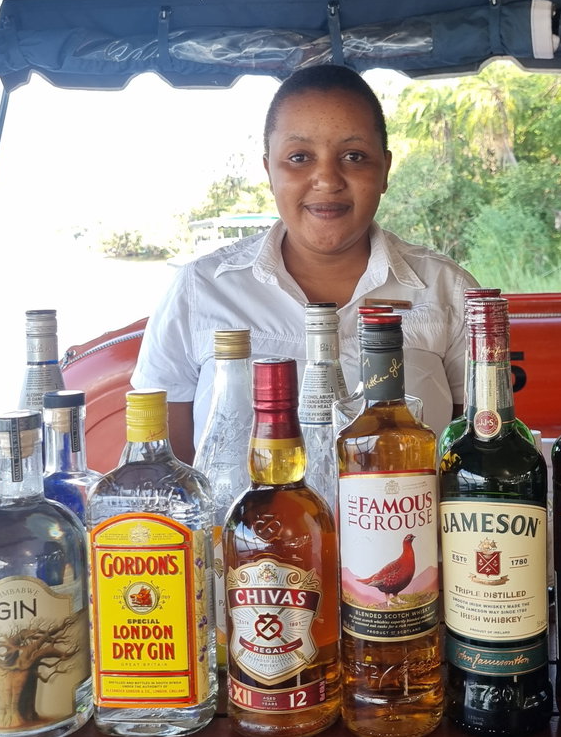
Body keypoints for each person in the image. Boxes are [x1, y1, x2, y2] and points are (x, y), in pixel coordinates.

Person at [132, 64, 479, 462]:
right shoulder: (201, 290)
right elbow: (164, 470)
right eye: (299, 157)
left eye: (354, 156)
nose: (327, 180)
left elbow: (470, 456)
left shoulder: (448, 291)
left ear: (384, 169)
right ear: (269, 171)